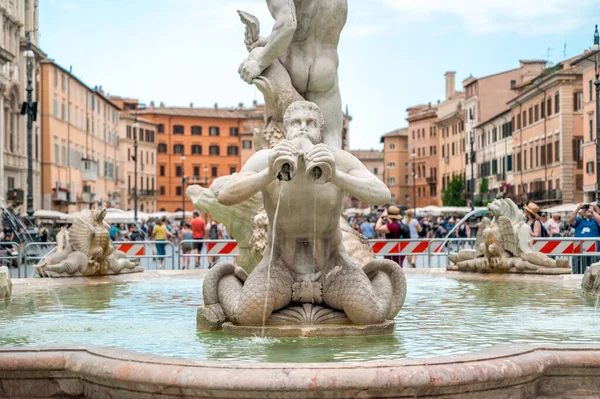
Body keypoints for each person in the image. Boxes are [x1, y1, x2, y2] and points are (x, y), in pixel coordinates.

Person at [238, 0, 347, 148]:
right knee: (331, 140)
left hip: (293, 66)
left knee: (285, 137)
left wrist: (259, 62)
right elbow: (309, 33)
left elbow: (287, 25)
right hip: (326, 68)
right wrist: (266, 42)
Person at [569, 203, 600, 273]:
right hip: (579, 249)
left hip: (593, 251)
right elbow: (571, 220)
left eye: (589, 209)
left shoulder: (596, 221)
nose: (588, 211)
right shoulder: (580, 221)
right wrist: (577, 209)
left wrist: (593, 212)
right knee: (577, 271)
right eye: (586, 210)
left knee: (593, 272)